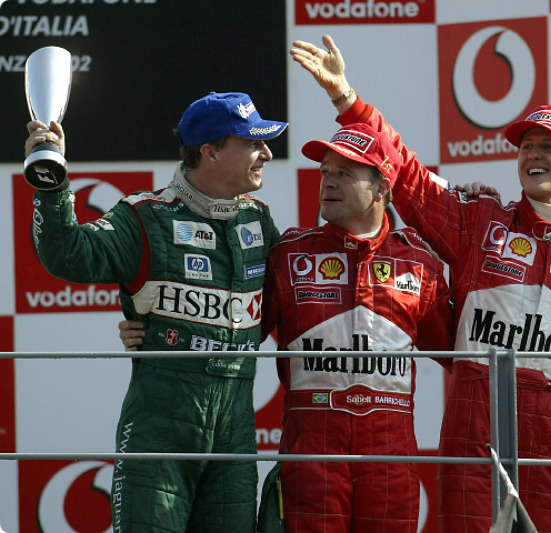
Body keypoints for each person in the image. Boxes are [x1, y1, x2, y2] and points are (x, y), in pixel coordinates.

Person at [291, 35, 551, 533]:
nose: (533, 154)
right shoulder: (479, 220)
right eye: (526, 146)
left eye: (549, 147)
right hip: (474, 419)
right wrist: (346, 100)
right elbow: (402, 172)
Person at [121, 122, 454, 532]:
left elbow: (460, 352)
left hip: (391, 458)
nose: (328, 182)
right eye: (325, 172)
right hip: (311, 453)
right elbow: (232, 325)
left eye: (344, 173)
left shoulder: (420, 262)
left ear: (383, 187)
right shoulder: (289, 254)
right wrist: (155, 327)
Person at [26, 91, 287, 532]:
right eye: (252, 142)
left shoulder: (257, 222)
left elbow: (279, 311)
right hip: (160, 428)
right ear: (210, 152)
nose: (266, 153)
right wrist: (52, 183)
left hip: (236, 433)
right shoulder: (145, 217)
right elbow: (68, 254)